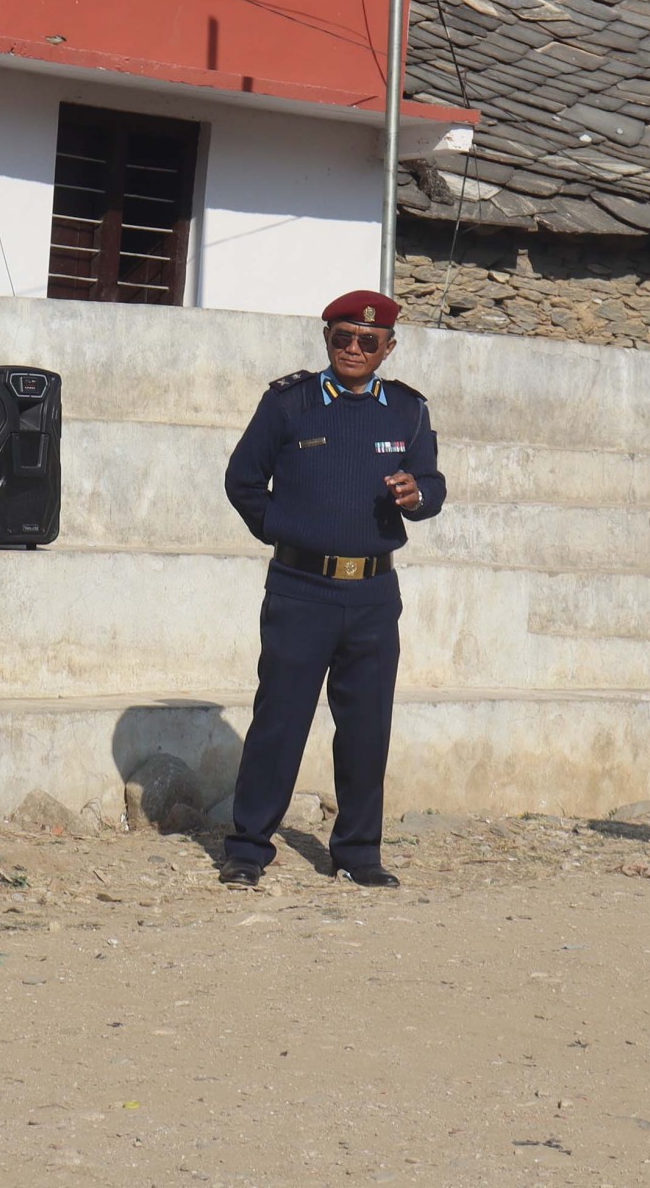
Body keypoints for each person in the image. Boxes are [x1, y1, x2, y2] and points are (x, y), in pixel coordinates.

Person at [219, 290, 446, 890]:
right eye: (342, 337)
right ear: (326, 339)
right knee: (280, 722)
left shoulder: (408, 411)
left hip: (373, 596)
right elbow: (242, 479)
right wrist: (284, 529)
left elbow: (432, 483)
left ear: (387, 348)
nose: (353, 349)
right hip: (300, 590)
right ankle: (248, 848)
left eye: (367, 341)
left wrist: (417, 496)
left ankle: (358, 852)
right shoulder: (288, 402)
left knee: (367, 729)